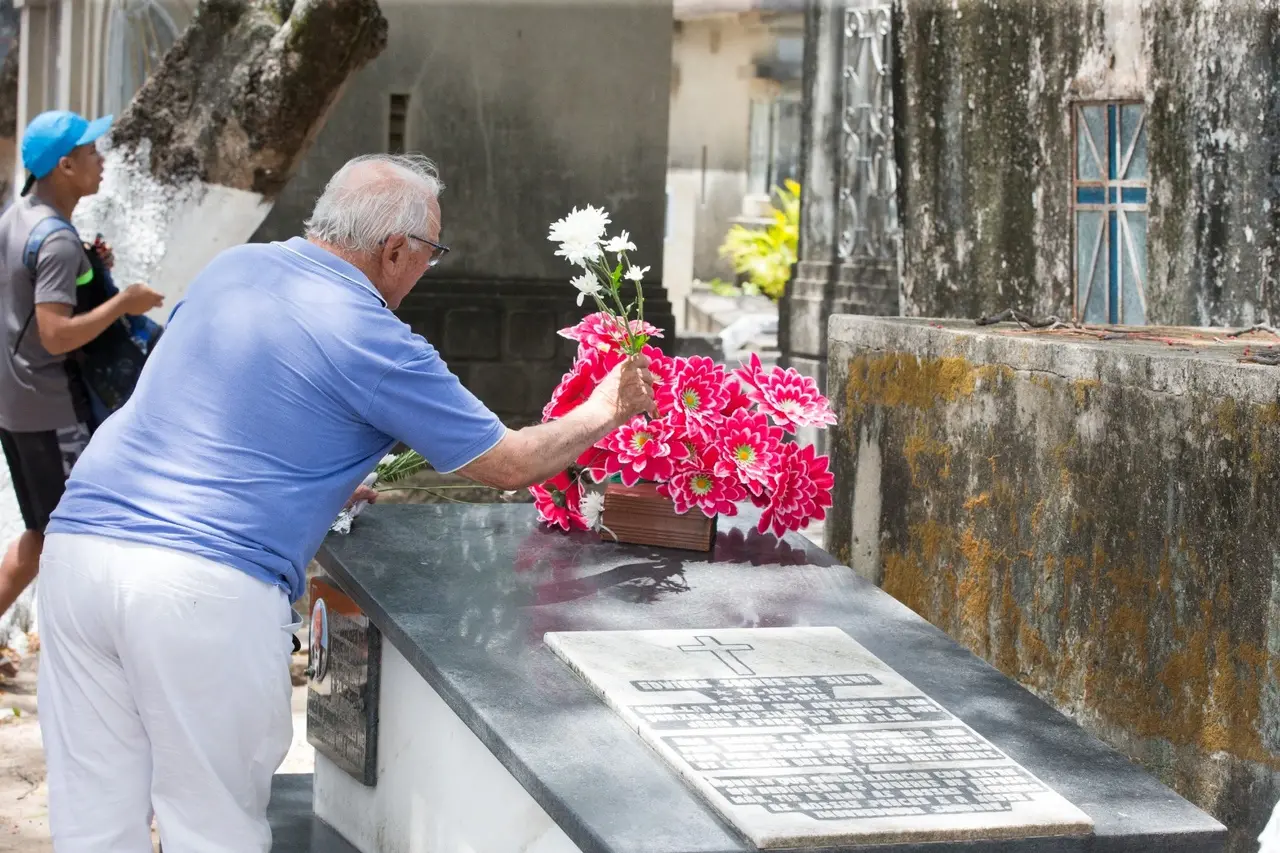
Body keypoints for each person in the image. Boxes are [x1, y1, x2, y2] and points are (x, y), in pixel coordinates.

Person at [36, 152, 656, 851]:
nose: (428, 270)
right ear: (395, 251)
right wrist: (607, 407)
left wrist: (317, 471)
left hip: (80, 550)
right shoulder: (376, 340)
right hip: (202, 587)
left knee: (92, 818)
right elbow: (511, 464)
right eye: (432, 253)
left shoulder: (236, 267)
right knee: (211, 827)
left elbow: (216, 392)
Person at [0, 109, 164, 665]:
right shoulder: (57, 240)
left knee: (43, 535)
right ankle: (93, 656)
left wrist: (92, 276)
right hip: (51, 409)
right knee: (79, 536)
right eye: (91, 152)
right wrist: (124, 303)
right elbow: (52, 335)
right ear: (65, 166)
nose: (101, 160)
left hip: (16, 405)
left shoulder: (17, 217)